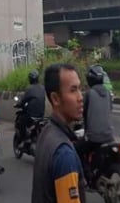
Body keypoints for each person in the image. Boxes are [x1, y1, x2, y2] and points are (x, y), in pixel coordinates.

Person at [32, 64, 86, 203]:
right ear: (55, 98)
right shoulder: (64, 154)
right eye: (73, 90)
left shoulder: (46, 133)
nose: (80, 97)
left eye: (80, 89)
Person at [77, 65, 114, 164]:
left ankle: (83, 175)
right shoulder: (108, 94)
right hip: (110, 137)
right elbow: (110, 109)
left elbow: (81, 113)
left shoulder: (89, 94)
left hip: (93, 138)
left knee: (77, 149)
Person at [16, 69, 46, 148]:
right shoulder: (42, 88)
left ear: (30, 79)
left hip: (31, 116)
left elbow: (23, 101)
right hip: (41, 116)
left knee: (21, 121)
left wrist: (18, 104)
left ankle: (23, 140)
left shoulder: (29, 89)